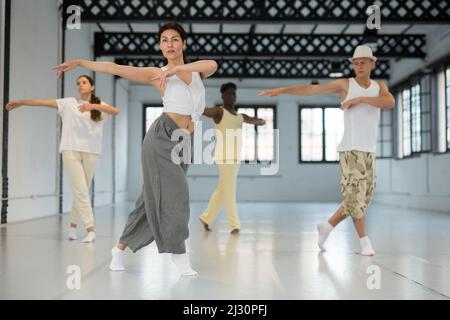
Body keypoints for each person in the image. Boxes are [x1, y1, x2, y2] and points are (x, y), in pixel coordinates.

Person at [53, 22, 218, 275]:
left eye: (175, 39)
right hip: (162, 138)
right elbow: (114, 67)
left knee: (149, 200)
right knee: (177, 195)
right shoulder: (156, 73)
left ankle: (118, 249)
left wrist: (179, 69)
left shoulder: (196, 72)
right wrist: (80, 62)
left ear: (183, 43)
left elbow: (212, 65)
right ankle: (178, 253)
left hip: (185, 141)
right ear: (160, 46)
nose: (169, 44)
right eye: (164, 40)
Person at [259, 45, 395, 256]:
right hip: (351, 150)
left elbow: (389, 102)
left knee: (362, 198)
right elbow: (312, 89)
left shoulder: (379, 86)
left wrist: (359, 99)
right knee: (356, 199)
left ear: (372, 63)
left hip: (370, 151)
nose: (358, 66)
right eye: (355, 62)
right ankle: (364, 242)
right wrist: (283, 90)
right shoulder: (344, 84)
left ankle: (327, 227)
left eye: (363, 62)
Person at [5, 75, 120, 243]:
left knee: (81, 191)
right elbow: (43, 102)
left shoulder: (99, 106)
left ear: (92, 86)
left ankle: (72, 227)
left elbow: (116, 111)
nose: (80, 85)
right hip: (70, 150)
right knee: (81, 190)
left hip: (92, 152)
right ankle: (91, 229)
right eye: (78, 83)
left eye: (84, 82)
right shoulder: (68, 103)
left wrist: (91, 106)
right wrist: (21, 101)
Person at [200, 82, 265, 234]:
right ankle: (234, 225)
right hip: (224, 158)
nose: (231, 96)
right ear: (222, 96)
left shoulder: (239, 117)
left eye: (233, 93)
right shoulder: (219, 112)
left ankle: (206, 217)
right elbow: (206, 111)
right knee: (230, 192)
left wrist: (261, 121)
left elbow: (253, 120)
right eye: (228, 93)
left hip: (235, 159)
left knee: (222, 191)